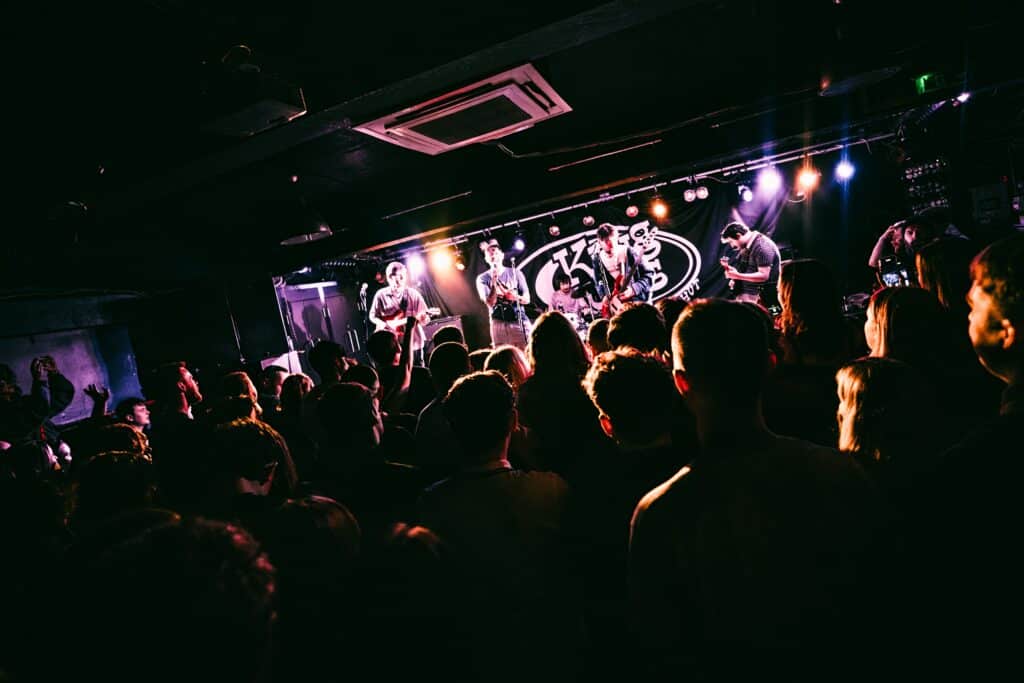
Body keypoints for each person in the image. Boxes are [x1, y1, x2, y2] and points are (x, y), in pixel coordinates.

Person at [369, 262, 431, 360]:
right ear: (389, 278)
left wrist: (424, 319)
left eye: (402, 277)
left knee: (418, 371)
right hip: (392, 346)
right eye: (397, 277)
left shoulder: (413, 294)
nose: (399, 281)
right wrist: (384, 325)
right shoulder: (380, 295)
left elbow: (425, 319)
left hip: (414, 343)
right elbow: (372, 316)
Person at [476, 238, 531, 348]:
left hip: (518, 320)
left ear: (501, 255)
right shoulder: (482, 278)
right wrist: (494, 284)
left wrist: (514, 297)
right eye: (489, 252)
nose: (492, 254)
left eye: (495, 251)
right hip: (498, 323)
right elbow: (490, 303)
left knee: (526, 353)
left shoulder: (516, 273)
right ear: (486, 258)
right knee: (503, 358)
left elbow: (527, 299)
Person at [591, 223, 653, 318]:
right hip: (617, 310)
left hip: (638, 305)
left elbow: (649, 275)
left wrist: (633, 289)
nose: (609, 244)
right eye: (605, 241)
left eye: (611, 240)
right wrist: (604, 295)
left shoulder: (629, 252)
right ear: (599, 242)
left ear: (617, 237)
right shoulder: (597, 260)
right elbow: (598, 282)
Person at [719, 221, 781, 305]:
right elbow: (750, 270)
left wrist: (737, 276)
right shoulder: (747, 246)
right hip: (749, 297)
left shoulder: (761, 246)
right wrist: (736, 277)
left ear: (738, 235)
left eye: (731, 242)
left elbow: (764, 275)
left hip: (760, 299)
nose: (731, 246)